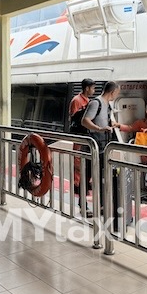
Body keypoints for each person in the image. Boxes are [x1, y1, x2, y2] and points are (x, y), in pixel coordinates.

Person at [81, 81, 121, 206]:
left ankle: (102, 204)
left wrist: (110, 125)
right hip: (93, 145)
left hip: (103, 145)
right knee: (88, 175)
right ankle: (83, 204)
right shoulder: (96, 103)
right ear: (113, 92)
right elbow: (85, 121)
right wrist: (99, 128)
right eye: (117, 93)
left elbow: (103, 121)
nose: (116, 95)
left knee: (102, 175)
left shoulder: (107, 105)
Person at [68, 78, 96, 217]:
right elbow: (75, 121)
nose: (94, 91)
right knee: (80, 171)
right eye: (92, 88)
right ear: (87, 88)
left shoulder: (90, 102)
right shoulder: (77, 101)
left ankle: (83, 199)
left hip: (87, 141)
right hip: (80, 142)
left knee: (86, 172)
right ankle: (82, 203)